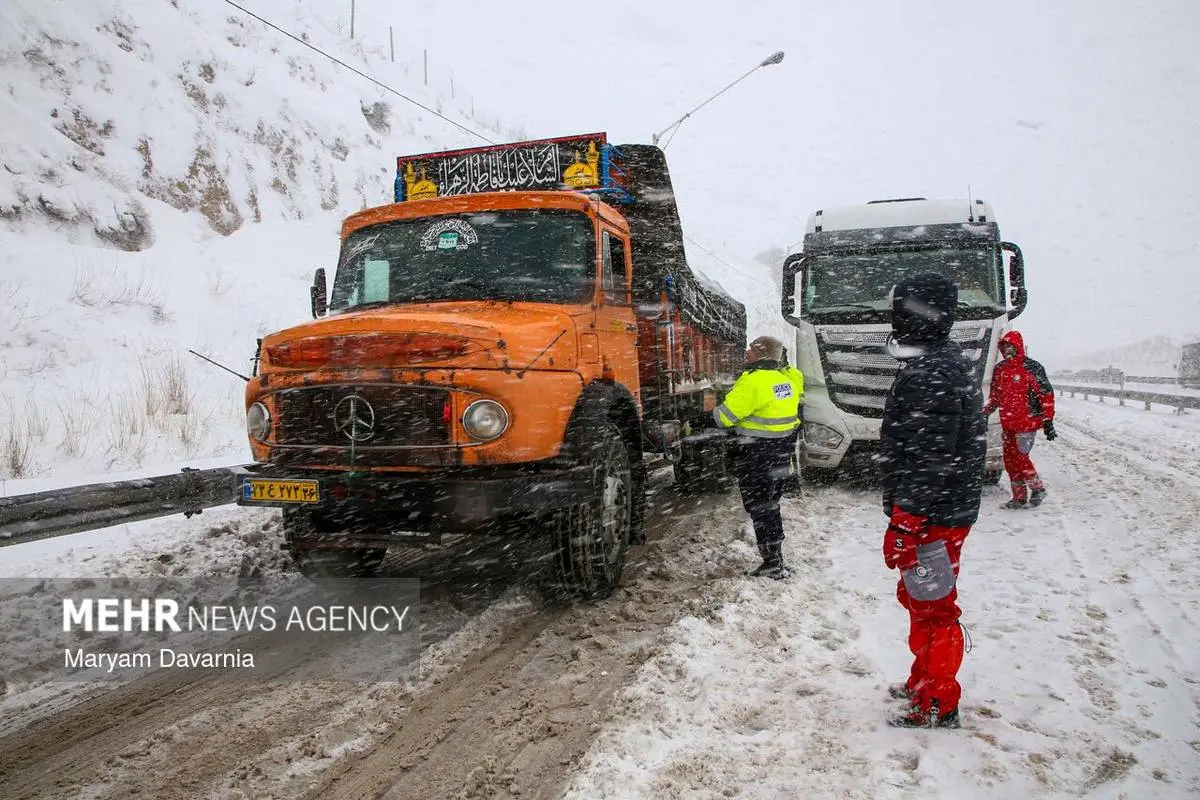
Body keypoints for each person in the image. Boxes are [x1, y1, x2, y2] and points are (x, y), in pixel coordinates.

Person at [878, 272, 986, 729]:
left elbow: (930, 457)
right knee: (922, 599)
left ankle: (937, 701)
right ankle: (924, 682)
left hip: (932, 516)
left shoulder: (931, 373)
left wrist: (906, 520)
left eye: (900, 309)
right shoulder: (941, 362)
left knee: (934, 609)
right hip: (941, 510)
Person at [713, 336, 803, 579]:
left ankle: (772, 562)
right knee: (771, 506)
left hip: (757, 456)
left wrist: (704, 416)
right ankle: (776, 556)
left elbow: (724, 418)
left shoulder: (752, 382)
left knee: (760, 508)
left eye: (751, 349)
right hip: (780, 454)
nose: (746, 352)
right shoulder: (785, 381)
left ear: (761, 354)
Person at [984, 330, 1056, 508]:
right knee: (1009, 460)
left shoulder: (1032, 367)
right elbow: (995, 396)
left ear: (1018, 346)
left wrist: (1048, 421)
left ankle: (1037, 488)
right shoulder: (1000, 369)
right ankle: (1019, 497)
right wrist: (985, 413)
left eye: (1011, 346)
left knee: (1020, 458)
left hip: (1026, 423)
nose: (1007, 350)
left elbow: (1046, 395)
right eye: (1005, 347)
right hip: (1008, 423)